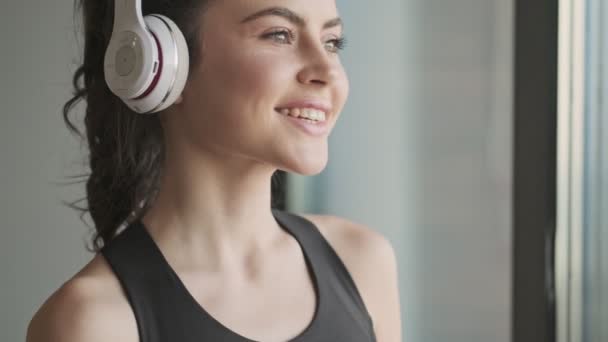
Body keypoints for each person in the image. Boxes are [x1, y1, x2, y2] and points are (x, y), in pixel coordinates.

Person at [26, 0, 402, 341]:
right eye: (279, 34)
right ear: (161, 62)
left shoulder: (362, 261)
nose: (328, 72)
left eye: (333, 42)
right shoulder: (93, 322)